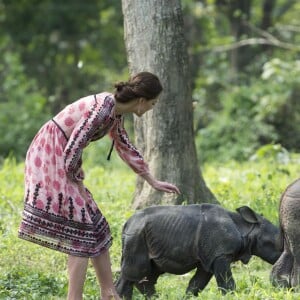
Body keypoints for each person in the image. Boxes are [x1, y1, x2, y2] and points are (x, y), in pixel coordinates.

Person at [18, 71, 181, 300]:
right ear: (142, 100)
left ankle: (109, 293)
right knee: (81, 230)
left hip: (65, 157)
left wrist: (152, 180)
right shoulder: (103, 107)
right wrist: (77, 179)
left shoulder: (114, 114)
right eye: (153, 103)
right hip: (51, 153)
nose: (152, 108)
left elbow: (125, 146)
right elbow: (74, 147)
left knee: (97, 226)